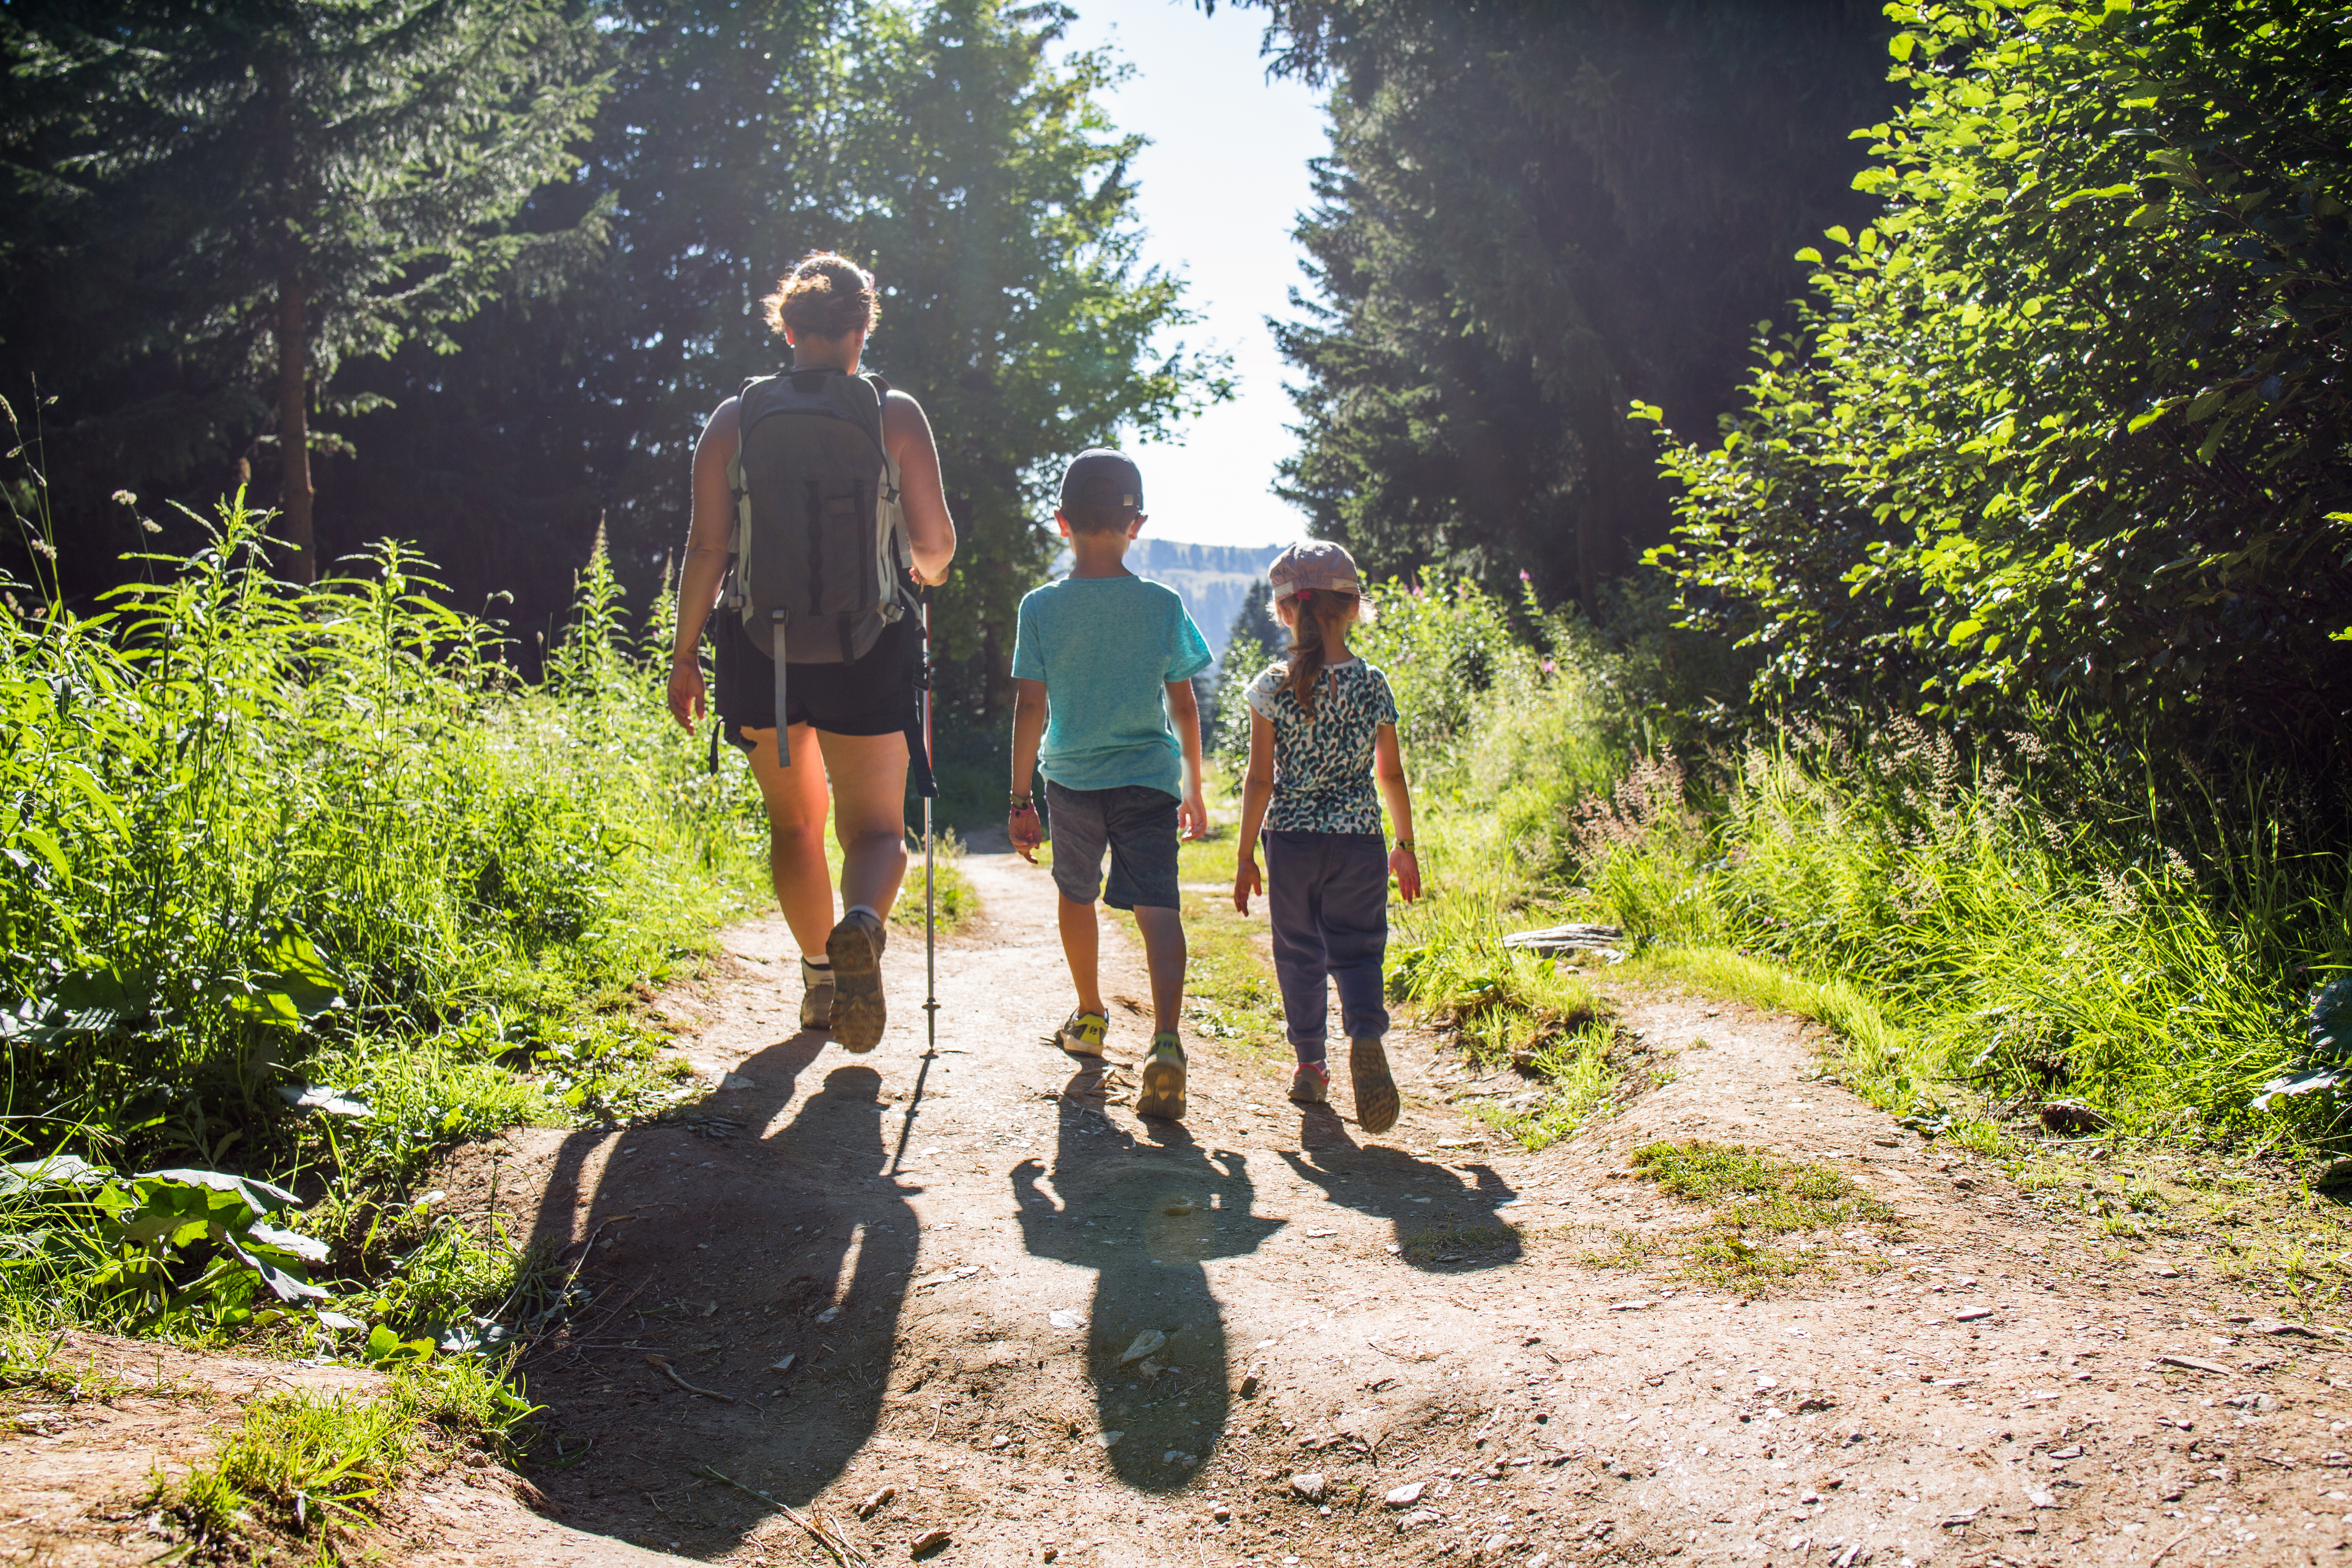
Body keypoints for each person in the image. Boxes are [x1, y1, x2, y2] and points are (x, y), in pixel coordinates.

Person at [666, 252, 957, 1049]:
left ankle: (822, 983)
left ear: (788, 329)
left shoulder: (735, 419)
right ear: (862, 331)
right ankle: (861, 923)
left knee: (794, 829)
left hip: (763, 651)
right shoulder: (891, 414)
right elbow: (935, 549)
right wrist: (918, 568)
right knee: (875, 832)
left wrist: (685, 654)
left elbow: (706, 549)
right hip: (870, 645)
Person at [1006, 450, 1212, 1120]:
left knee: (1076, 892)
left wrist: (1019, 799)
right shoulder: (1162, 605)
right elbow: (1183, 705)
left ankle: (1090, 1018)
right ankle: (1167, 1044)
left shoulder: (1039, 608)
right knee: (1158, 906)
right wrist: (1195, 787)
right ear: (1137, 523)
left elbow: (1029, 708)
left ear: (1063, 523)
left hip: (1071, 780)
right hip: (1149, 780)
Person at [1231, 541, 1419, 1135]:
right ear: (1354, 607)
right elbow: (1390, 773)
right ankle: (1364, 1031)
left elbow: (1261, 778)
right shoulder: (1372, 682)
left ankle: (1311, 1063)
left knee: (1299, 952)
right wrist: (1405, 846)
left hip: (1290, 840)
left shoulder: (1271, 685)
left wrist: (1243, 856)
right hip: (1360, 837)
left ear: (1286, 610)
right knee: (1359, 948)